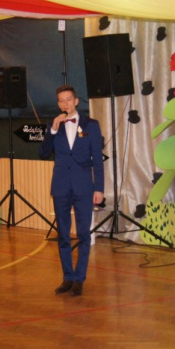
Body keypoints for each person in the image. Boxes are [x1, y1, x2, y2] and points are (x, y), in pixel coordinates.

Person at [39, 85, 104, 297]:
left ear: (76, 101)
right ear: (58, 104)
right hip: (60, 186)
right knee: (63, 235)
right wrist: (52, 130)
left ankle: (79, 279)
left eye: (68, 99)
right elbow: (43, 153)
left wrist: (99, 188)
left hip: (84, 187)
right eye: (61, 100)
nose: (65, 103)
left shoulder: (91, 125)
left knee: (84, 234)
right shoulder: (53, 126)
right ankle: (67, 277)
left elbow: (97, 160)